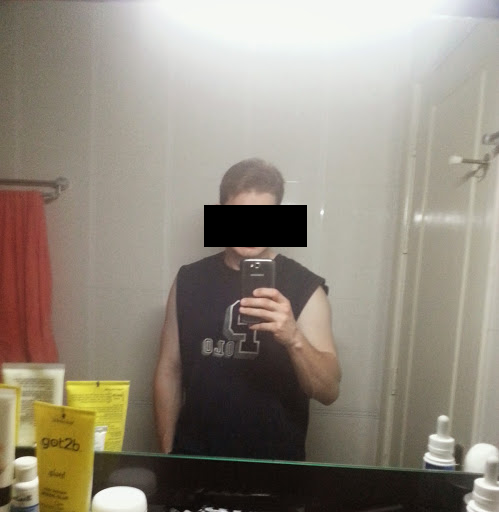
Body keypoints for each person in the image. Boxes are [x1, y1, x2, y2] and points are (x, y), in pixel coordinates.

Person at [153, 157, 341, 461]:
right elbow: (168, 370)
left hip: (275, 466)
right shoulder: (188, 280)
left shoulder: (307, 288)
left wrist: (294, 338)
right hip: (195, 459)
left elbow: (329, 391)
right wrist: (168, 454)